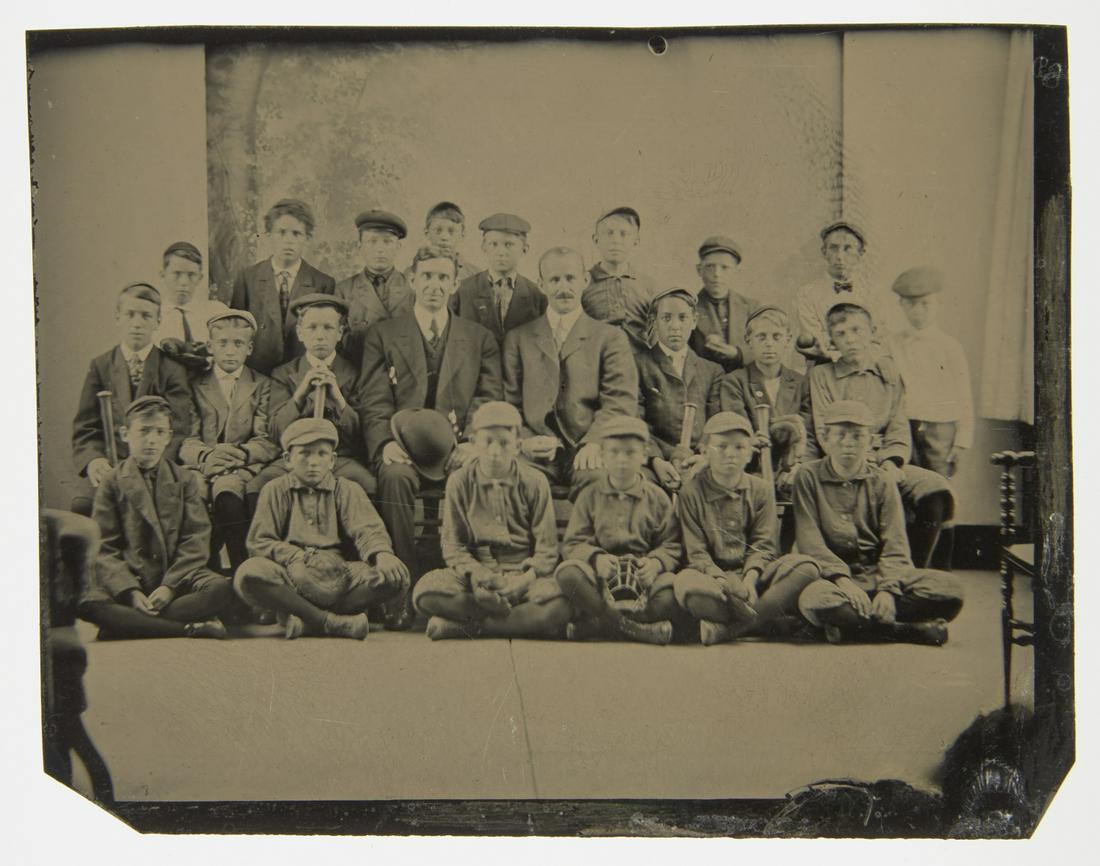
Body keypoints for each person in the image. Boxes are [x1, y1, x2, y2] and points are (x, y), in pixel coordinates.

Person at [360, 247, 503, 622]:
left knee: (471, 475)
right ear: (412, 281)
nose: (434, 286)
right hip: (402, 446)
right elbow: (373, 400)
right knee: (392, 476)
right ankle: (399, 588)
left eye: (443, 278)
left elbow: (488, 398)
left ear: (455, 284)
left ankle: (459, 585)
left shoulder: (479, 337)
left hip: (457, 447)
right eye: (427, 277)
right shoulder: (384, 334)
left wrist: (473, 442)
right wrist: (386, 443)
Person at [793, 400, 965, 645]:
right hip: (834, 581)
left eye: (857, 436)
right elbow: (810, 543)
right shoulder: (807, 477)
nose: (848, 443)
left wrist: (887, 590)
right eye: (840, 435)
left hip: (876, 574)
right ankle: (907, 631)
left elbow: (895, 544)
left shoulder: (882, 481)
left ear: (871, 441)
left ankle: (854, 628)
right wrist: (844, 582)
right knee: (816, 602)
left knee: (951, 591)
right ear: (825, 438)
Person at [803, 301, 955, 567]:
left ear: (872, 332)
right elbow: (826, 430)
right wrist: (866, 461)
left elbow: (898, 426)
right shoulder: (821, 376)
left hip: (885, 461)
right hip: (842, 462)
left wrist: (891, 462)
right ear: (831, 340)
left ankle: (911, 573)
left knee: (935, 489)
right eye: (840, 334)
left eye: (856, 330)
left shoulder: (889, 375)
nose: (850, 339)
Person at [234, 417, 409, 640]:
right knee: (249, 573)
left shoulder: (347, 489)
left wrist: (382, 554)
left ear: (333, 460)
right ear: (288, 459)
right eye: (304, 454)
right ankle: (328, 622)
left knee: (395, 576)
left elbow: (368, 529)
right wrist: (297, 555)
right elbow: (259, 541)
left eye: (321, 454)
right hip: (290, 574)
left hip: (339, 573)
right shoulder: (275, 490)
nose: (313, 462)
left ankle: (302, 617)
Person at [412, 402, 571, 640]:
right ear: (474, 443)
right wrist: (478, 575)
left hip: (523, 576)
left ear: (518, 446)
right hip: (477, 578)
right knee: (425, 593)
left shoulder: (535, 481)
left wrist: (523, 580)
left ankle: (470, 627)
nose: (495, 451)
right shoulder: (459, 481)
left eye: (504, 443)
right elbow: (454, 547)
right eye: (487, 442)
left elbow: (547, 550)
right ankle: (524, 622)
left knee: (564, 602)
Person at [78, 396, 232, 639]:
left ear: (169, 437)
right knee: (87, 602)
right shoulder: (112, 481)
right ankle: (186, 629)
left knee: (221, 589)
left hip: (178, 576)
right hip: (133, 575)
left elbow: (196, 539)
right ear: (125, 434)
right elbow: (104, 546)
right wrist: (129, 590)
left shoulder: (185, 479)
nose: (151, 440)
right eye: (143, 431)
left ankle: (127, 625)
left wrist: (169, 587)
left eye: (159, 432)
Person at [672, 412, 822, 645]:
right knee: (687, 587)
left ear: (750, 452)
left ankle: (733, 630)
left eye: (739, 447)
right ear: (704, 451)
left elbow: (764, 544)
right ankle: (766, 620)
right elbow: (696, 552)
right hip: (714, 580)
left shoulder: (761, 489)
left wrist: (750, 580)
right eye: (721, 446)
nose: (730, 454)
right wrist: (722, 580)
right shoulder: (691, 492)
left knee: (807, 568)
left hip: (756, 579)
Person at [502, 246, 638, 499]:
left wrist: (595, 442)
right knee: (512, 479)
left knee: (601, 481)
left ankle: (584, 540)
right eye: (554, 280)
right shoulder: (518, 338)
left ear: (585, 280)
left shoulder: (610, 337)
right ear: (541, 284)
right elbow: (509, 402)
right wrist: (525, 440)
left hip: (588, 447)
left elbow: (619, 400)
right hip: (536, 451)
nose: (563, 287)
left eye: (570, 278)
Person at [554, 416, 682, 646]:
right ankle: (634, 629)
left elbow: (671, 544)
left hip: (643, 578)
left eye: (630, 452)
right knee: (568, 574)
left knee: (674, 591)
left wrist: (655, 564)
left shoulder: (657, 498)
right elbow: (573, 543)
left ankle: (599, 624)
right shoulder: (590, 496)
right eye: (613, 452)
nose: (621, 460)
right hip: (602, 576)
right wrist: (596, 558)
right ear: (602, 456)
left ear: (644, 455)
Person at [71, 282, 192, 516]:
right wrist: (94, 461)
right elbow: (85, 427)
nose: (137, 323)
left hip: (155, 465)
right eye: (130, 315)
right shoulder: (101, 366)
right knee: (83, 506)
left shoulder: (171, 369)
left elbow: (179, 428)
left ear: (158, 322)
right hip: (110, 463)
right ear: (118, 318)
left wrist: (148, 468)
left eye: (146, 316)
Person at [178, 310, 279, 574]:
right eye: (222, 343)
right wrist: (205, 457)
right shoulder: (196, 384)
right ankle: (204, 574)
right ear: (210, 346)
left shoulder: (262, 384)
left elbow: (266, 438)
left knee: (227, 495)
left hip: (241, 464)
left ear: (249, 348)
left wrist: (239, 455)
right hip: (203, 465)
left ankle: (241, 574)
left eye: (238, 344)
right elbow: (188, 437)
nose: (230, 351)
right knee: (193, 496)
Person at [888, 267, 973, 569]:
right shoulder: (892, 343)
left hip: (940, 429)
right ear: (901, 306)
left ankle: (941, 569)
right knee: (907, 492)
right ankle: (910, 567)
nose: (918, 311)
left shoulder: (949, 346)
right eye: (911, 304)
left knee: (941, 492)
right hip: (906, 426)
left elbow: (963, 395)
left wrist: (961, 441)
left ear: (938, 304)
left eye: (925, 303)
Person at [250, 294, 375, 497]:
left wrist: (338, 398)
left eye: (328, 328)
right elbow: (275, 431)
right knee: (259, 487)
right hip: (294, 458)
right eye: (312, 328)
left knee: (368, 486)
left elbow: (359, 435)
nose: (320, 336)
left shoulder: (354, 373)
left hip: (339, 458)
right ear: (300, 332)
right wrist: (300, 395)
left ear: (340, 333)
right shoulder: (283, 374)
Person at [230, 198, 335, 374]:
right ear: (269, 235)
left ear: (307, 238)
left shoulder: (322, 283)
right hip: (258, 374)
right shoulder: (248, 278)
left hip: (302, 375)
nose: (288, 241)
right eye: (281, 232)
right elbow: (236, 332)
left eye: (296, 234)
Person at [635, 287, 723, 494]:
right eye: (666, 318)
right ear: (654, 322)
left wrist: (705, 456)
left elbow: (716, 423)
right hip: (654, 462)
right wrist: (656, 459)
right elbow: (636, 419)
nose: (675, 326)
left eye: (682, 318)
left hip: (700, 462)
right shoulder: (638, 365)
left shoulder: (711, 371)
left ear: (694, 321)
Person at [717, 304, 808, 493]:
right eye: (761, 337)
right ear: (748, 340)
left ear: (788, 340)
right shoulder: (734, 382)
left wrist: (796, 466)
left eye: (776, 337)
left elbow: (809, 433)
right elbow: (739, 430)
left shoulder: (801, 382)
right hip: (751, 468)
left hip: (793, 470)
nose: (769, 344)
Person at [794, 220, 884, 361]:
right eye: (833, 248)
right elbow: (816, 341)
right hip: (825, 366)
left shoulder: (872, 292)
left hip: (865, 366)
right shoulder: (808, 293)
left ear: (861, 253)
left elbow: (878, 338)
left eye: (848, 249)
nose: (840, 257)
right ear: (824, 252)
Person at [451, 212, 546, 345]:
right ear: (483, 246)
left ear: (525, 249)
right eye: (493, 244)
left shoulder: (537, 295)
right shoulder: (463, 291)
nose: (501, 252)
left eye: (509, 245)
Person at [334, 209, 414, 367]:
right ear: (360, 246)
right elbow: (336, 345)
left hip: (403, 375)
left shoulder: (413, 288)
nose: (380, 249)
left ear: (398, 246)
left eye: (387, 241)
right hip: (359, 375)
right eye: (372, 241)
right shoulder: (343, 290)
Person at [581, 206, 657, 353]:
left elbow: (656, 336)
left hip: (639, 369)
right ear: (596, 239)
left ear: (636, 241)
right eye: (609, 233)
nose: (615, 240)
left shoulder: (649, 286)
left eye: (624, 234)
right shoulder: (583, 283)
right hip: (598, 368)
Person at [689, 235, 759, 373]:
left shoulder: (752, 308)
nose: (717, 274)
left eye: (725, 268)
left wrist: (739, 354)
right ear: (699, 270)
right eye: (710, 267)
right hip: (704, 386)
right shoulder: (687, 308)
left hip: (744, 386)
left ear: (736, 271)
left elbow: (767, 348)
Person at [155, 241, 229, 361]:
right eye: (176, 274)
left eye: (191, 275)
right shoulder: (153, 317)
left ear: (200, 278)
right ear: (163, 275)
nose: (184, 282)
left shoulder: (217, 312)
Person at [408, 201, 479, 284]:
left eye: (451, 231)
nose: (444, 237)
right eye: (438, 230)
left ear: (462, 234)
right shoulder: (412, 273)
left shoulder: (475, 276)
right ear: (426, 233)